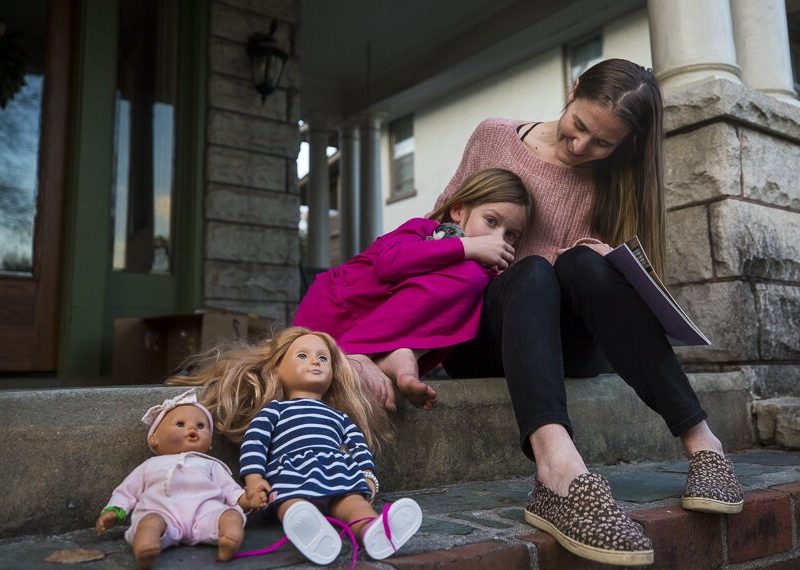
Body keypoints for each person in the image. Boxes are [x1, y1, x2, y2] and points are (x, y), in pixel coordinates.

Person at [429, 59, 744, 566]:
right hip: (481, 329)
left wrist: (608, 260)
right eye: (579, 127)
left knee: (581, 263)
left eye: (601, 143)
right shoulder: (493, 136)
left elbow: (604, 289)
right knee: (531, 271)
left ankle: (704, 445)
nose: (580, 149)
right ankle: (558, 471)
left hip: (565, 341)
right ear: (572, 91)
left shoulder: (614, 180)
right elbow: (438, 230)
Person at [169, 327, 422, 565]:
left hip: (337, 474)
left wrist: (367, 475)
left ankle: (371, 530)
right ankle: (310, 532)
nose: (315, 362)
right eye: (303, 356)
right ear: (277, 368)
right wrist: (254, 478)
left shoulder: (339, 417)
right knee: (292, 505)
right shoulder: (274, 411)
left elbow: (358, 447)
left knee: (354, 503)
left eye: (324, 359)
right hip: (292, 475)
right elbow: (255, 443)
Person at [294, 168, 534, 411]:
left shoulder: (484, 274)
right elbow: (388, 264)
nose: (498, 238)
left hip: (371, 333)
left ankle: (400, 356)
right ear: (459, 211)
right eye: (491, 221)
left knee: (476, 280)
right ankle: (359, 353)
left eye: (511, 235)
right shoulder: (424, 230)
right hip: (333, 315)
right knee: (471, 275)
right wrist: (466, 247)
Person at [95, 389, 264, 569]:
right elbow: (127, 491)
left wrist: (247, 500)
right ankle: (146, 545)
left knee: (230, 515)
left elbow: (231, 491)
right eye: (180, 424)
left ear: (210, 444)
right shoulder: (150, 465)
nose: (192, 429)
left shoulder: (212, 465)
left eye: (200, 426)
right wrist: (115, 511)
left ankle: (230, 538)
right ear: (154, 439)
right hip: (163, 512)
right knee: (150, 521)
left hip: (205, 512)